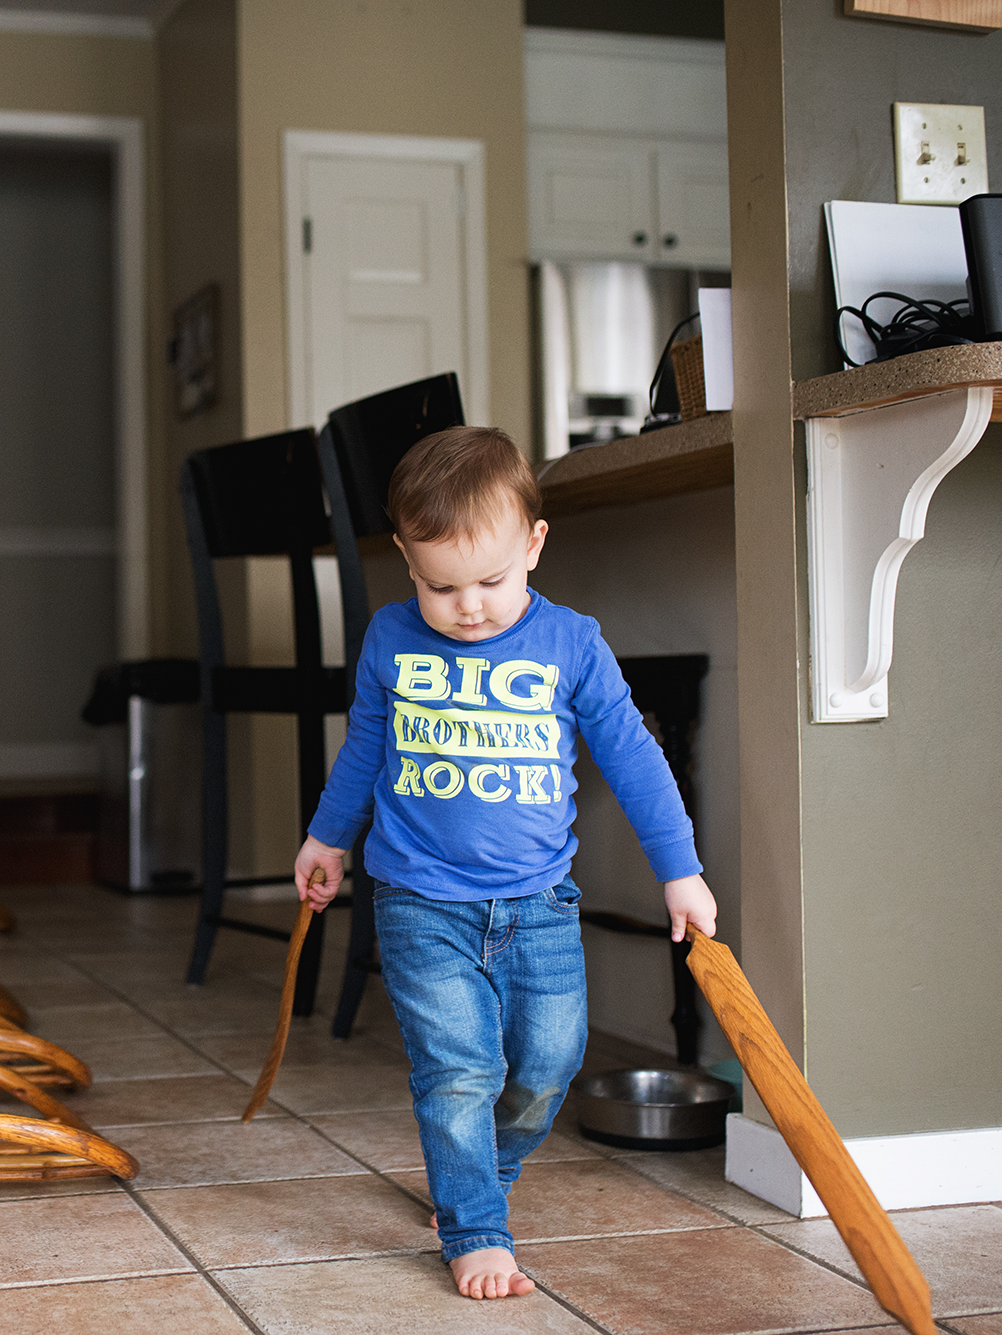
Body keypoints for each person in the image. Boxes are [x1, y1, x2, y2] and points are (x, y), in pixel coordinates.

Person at [292, 425, 718, 1301]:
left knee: (550, 1063)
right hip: (418, 898)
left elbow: (636, 758)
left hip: (539, 904)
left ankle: (482, 1170)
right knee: (459, 1070)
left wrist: (680, 866)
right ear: (407, 562)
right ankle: (475, 1222)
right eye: (439, 584)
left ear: (534, 543)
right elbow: (366, 747)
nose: (469, 605)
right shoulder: (391, 639)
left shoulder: (572, 643)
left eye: (490, 580)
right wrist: (327, 838)